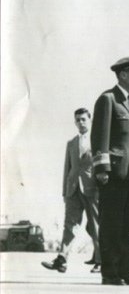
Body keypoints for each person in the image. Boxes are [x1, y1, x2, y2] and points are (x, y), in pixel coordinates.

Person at [91, 55, 129, 285]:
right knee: (111, 224)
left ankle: (125, 272)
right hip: (113, 175)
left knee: (125, 225)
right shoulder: (108, 99)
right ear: (123, 74)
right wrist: (102, 169)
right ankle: (110, 273)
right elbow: (100, 137)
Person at [42, 108, 101, 274]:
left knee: (96, 225)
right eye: (78, 120)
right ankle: (62, 260)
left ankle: (101, 261)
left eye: (83, 119)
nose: (81, 122)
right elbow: (67, 168)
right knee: (69, 225)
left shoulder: (98, 140)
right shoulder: (71, 143)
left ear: (90, 120)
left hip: (92, 188)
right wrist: (64, 192)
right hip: (72, 189)